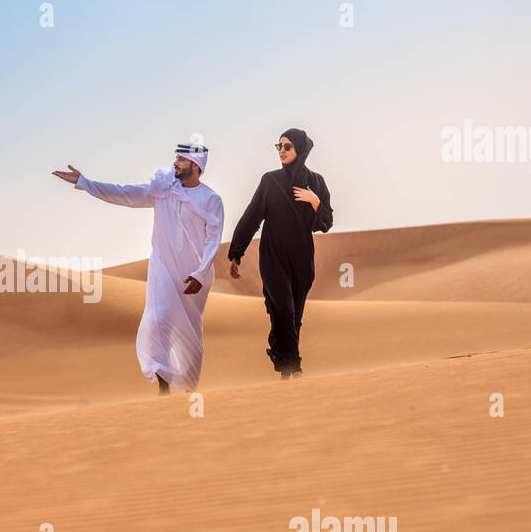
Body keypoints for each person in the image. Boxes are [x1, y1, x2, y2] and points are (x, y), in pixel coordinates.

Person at [53, 143, 224, 394]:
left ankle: (188, 387)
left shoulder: (211, 199)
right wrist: (85, 183)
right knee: (158, 319)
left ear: (196, 166)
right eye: (175, 158)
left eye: (181, 159)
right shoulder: (162, 191)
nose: (175, 163)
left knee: (189, 330)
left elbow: (214, 239)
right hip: (163, 269)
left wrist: (200, 273)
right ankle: (162, 385)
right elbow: (124, 194)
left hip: (194, 276)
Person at [227, 128, 334, 380]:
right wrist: (236, 253)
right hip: (273, 257)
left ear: (301, 150)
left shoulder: (316, 182)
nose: (282, 151)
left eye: (287, 147)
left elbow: (326, 223)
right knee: (283, 309)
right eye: (279, 147)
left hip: (302, 258)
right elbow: (252, 216)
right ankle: (293, 368)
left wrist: (315, 201)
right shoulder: (270, 180)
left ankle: (286, 371)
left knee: (294, 316)